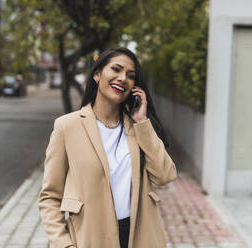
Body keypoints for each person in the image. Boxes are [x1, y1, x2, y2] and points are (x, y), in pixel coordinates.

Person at [38, 47, 177, 248]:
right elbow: (50, 197)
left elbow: (165, 176)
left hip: (138, 237)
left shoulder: (139, 128)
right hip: (91, 238)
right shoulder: (67, 127)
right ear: (97, 74)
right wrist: (63, 244)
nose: (123, 78)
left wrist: (142, 123)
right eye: (116, 69)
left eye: (130, 76)